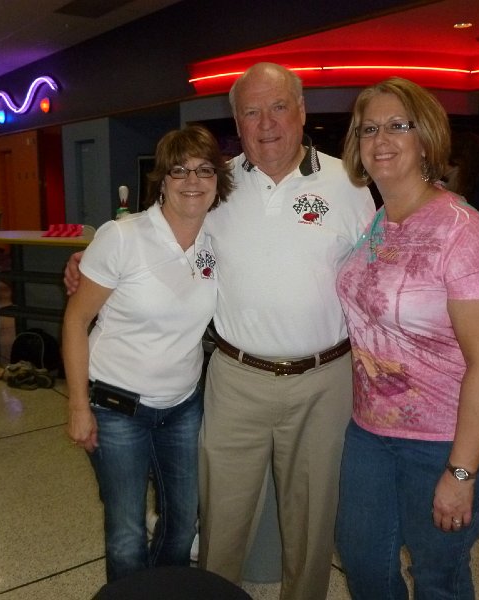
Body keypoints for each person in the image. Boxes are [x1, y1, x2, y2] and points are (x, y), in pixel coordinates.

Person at [66, 63, 374, 599]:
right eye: (251, 112)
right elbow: (156, 229)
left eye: (278, 107)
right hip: (236, 377)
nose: (267, 123)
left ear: (301, 112)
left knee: (312, 515)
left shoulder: (349, 183)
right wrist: (87, 262)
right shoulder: (219, 183)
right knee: (222, 517)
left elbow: (375, 277)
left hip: (324, 378)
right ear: (237, 121)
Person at [335, 76, 479, 599]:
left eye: (399, 125)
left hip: (451, 437)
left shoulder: (462, 231)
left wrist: (461, 473)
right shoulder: (379, 220)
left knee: (438, 574)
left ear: (427, 138)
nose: (381, 139)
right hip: (371, 431)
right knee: (363, 561)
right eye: (369, 128)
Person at [62, 125, 233, 583]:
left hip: (182, 405)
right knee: (126, 532)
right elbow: (76, 322)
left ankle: (163, 591)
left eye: (204, 170)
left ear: (219, 180)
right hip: (117, 407)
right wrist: (79, 405)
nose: (192, 181)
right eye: (179, 170)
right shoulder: (123, 236)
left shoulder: (218, 238)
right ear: (162, 178)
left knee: (182, 524)